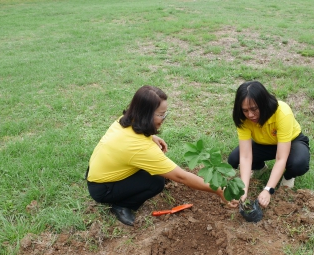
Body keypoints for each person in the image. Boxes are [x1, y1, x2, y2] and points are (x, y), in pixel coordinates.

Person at [86, 85, 228, 226]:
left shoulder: (125, 120)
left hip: (97, 170)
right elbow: (181, 176)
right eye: (160, 114)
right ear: (145, 115)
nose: (163, 119)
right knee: (156, 182)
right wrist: (219, 191)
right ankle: (121, 205)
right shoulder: (140, 148)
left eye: (164, 114)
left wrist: (152, 137)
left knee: (155, 169)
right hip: (102, 188)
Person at [228, 81, 310, 208]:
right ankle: (260, 167)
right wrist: (243, 190)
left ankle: (289, 176)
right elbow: (245, 156)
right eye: (245, 110)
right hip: (265, 144)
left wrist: (268, 190)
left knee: (298, 163)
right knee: (234, 159)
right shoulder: (243, 119)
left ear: (263, 103)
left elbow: (281, 158)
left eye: (254, 109)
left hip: (291, 141)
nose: (250, 114)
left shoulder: (282, 112)